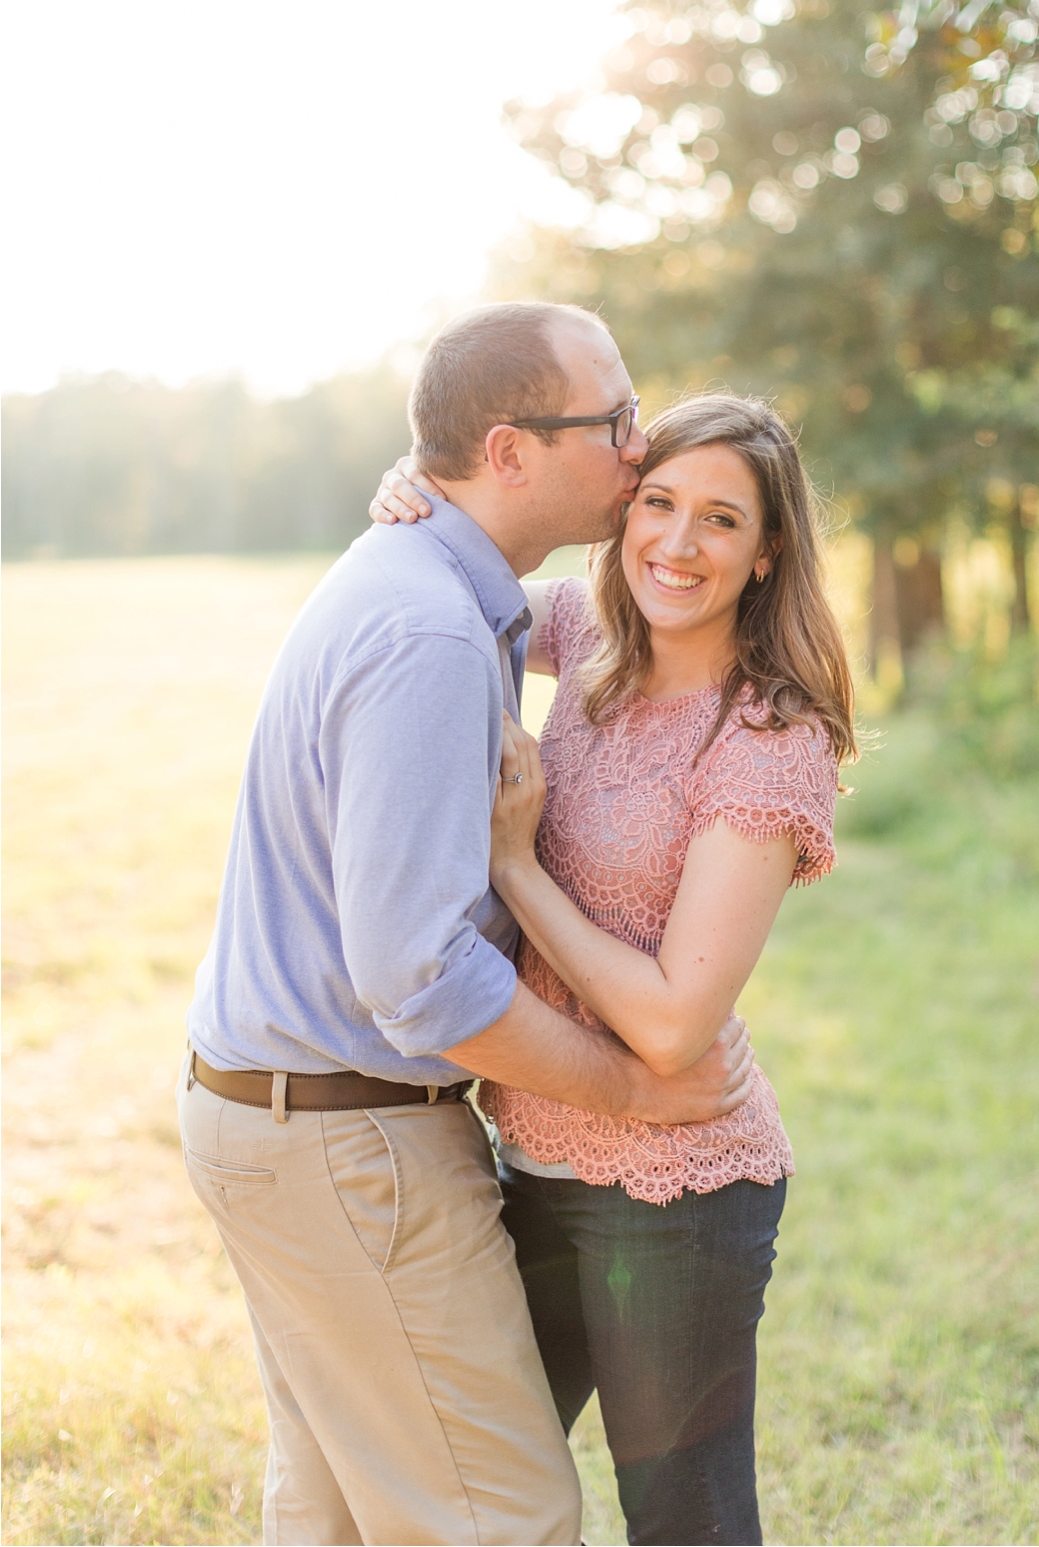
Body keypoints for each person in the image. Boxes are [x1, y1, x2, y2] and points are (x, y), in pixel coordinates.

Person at [179, 302, 756, 1547]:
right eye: (614, 421)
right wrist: (636, 1094)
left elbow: (636, 612)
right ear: (507, 451)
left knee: (335, 1508)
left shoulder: (439, 583)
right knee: (507, 1520)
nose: (638, 448)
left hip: (280, 1120)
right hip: (348, 1145)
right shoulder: (431, 629)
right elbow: (420, 978)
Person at [372, 391, 856, 1546]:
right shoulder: (587, 633)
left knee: (682, 1520)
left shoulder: (767, 738)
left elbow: (676, 1022)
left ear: (767, 549)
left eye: (721, 521)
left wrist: (516, 864)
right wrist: (414, 490)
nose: (678, 546)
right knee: (464, 1482)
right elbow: (462, 576)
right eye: (659, 503)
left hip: (680, 1195)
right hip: (529, 1160)